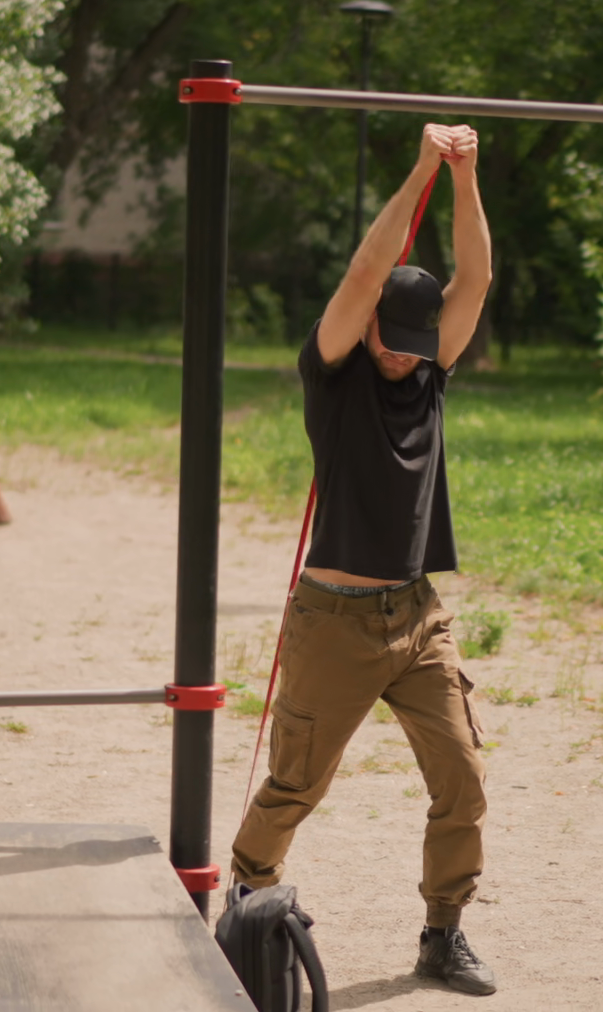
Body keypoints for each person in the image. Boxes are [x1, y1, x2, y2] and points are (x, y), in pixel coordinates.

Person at [230, 123, 496, 996]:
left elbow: (475, 279)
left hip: (417, 617)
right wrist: (420, 169)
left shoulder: (430, 373)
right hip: (335, 620)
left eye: (416, 342)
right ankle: (246, 914)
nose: (401, 353)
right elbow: (359, 275)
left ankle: (443, 932)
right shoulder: (333, 371)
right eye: (391, 336)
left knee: (462, 779)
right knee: (295, 787)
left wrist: (465, 177)